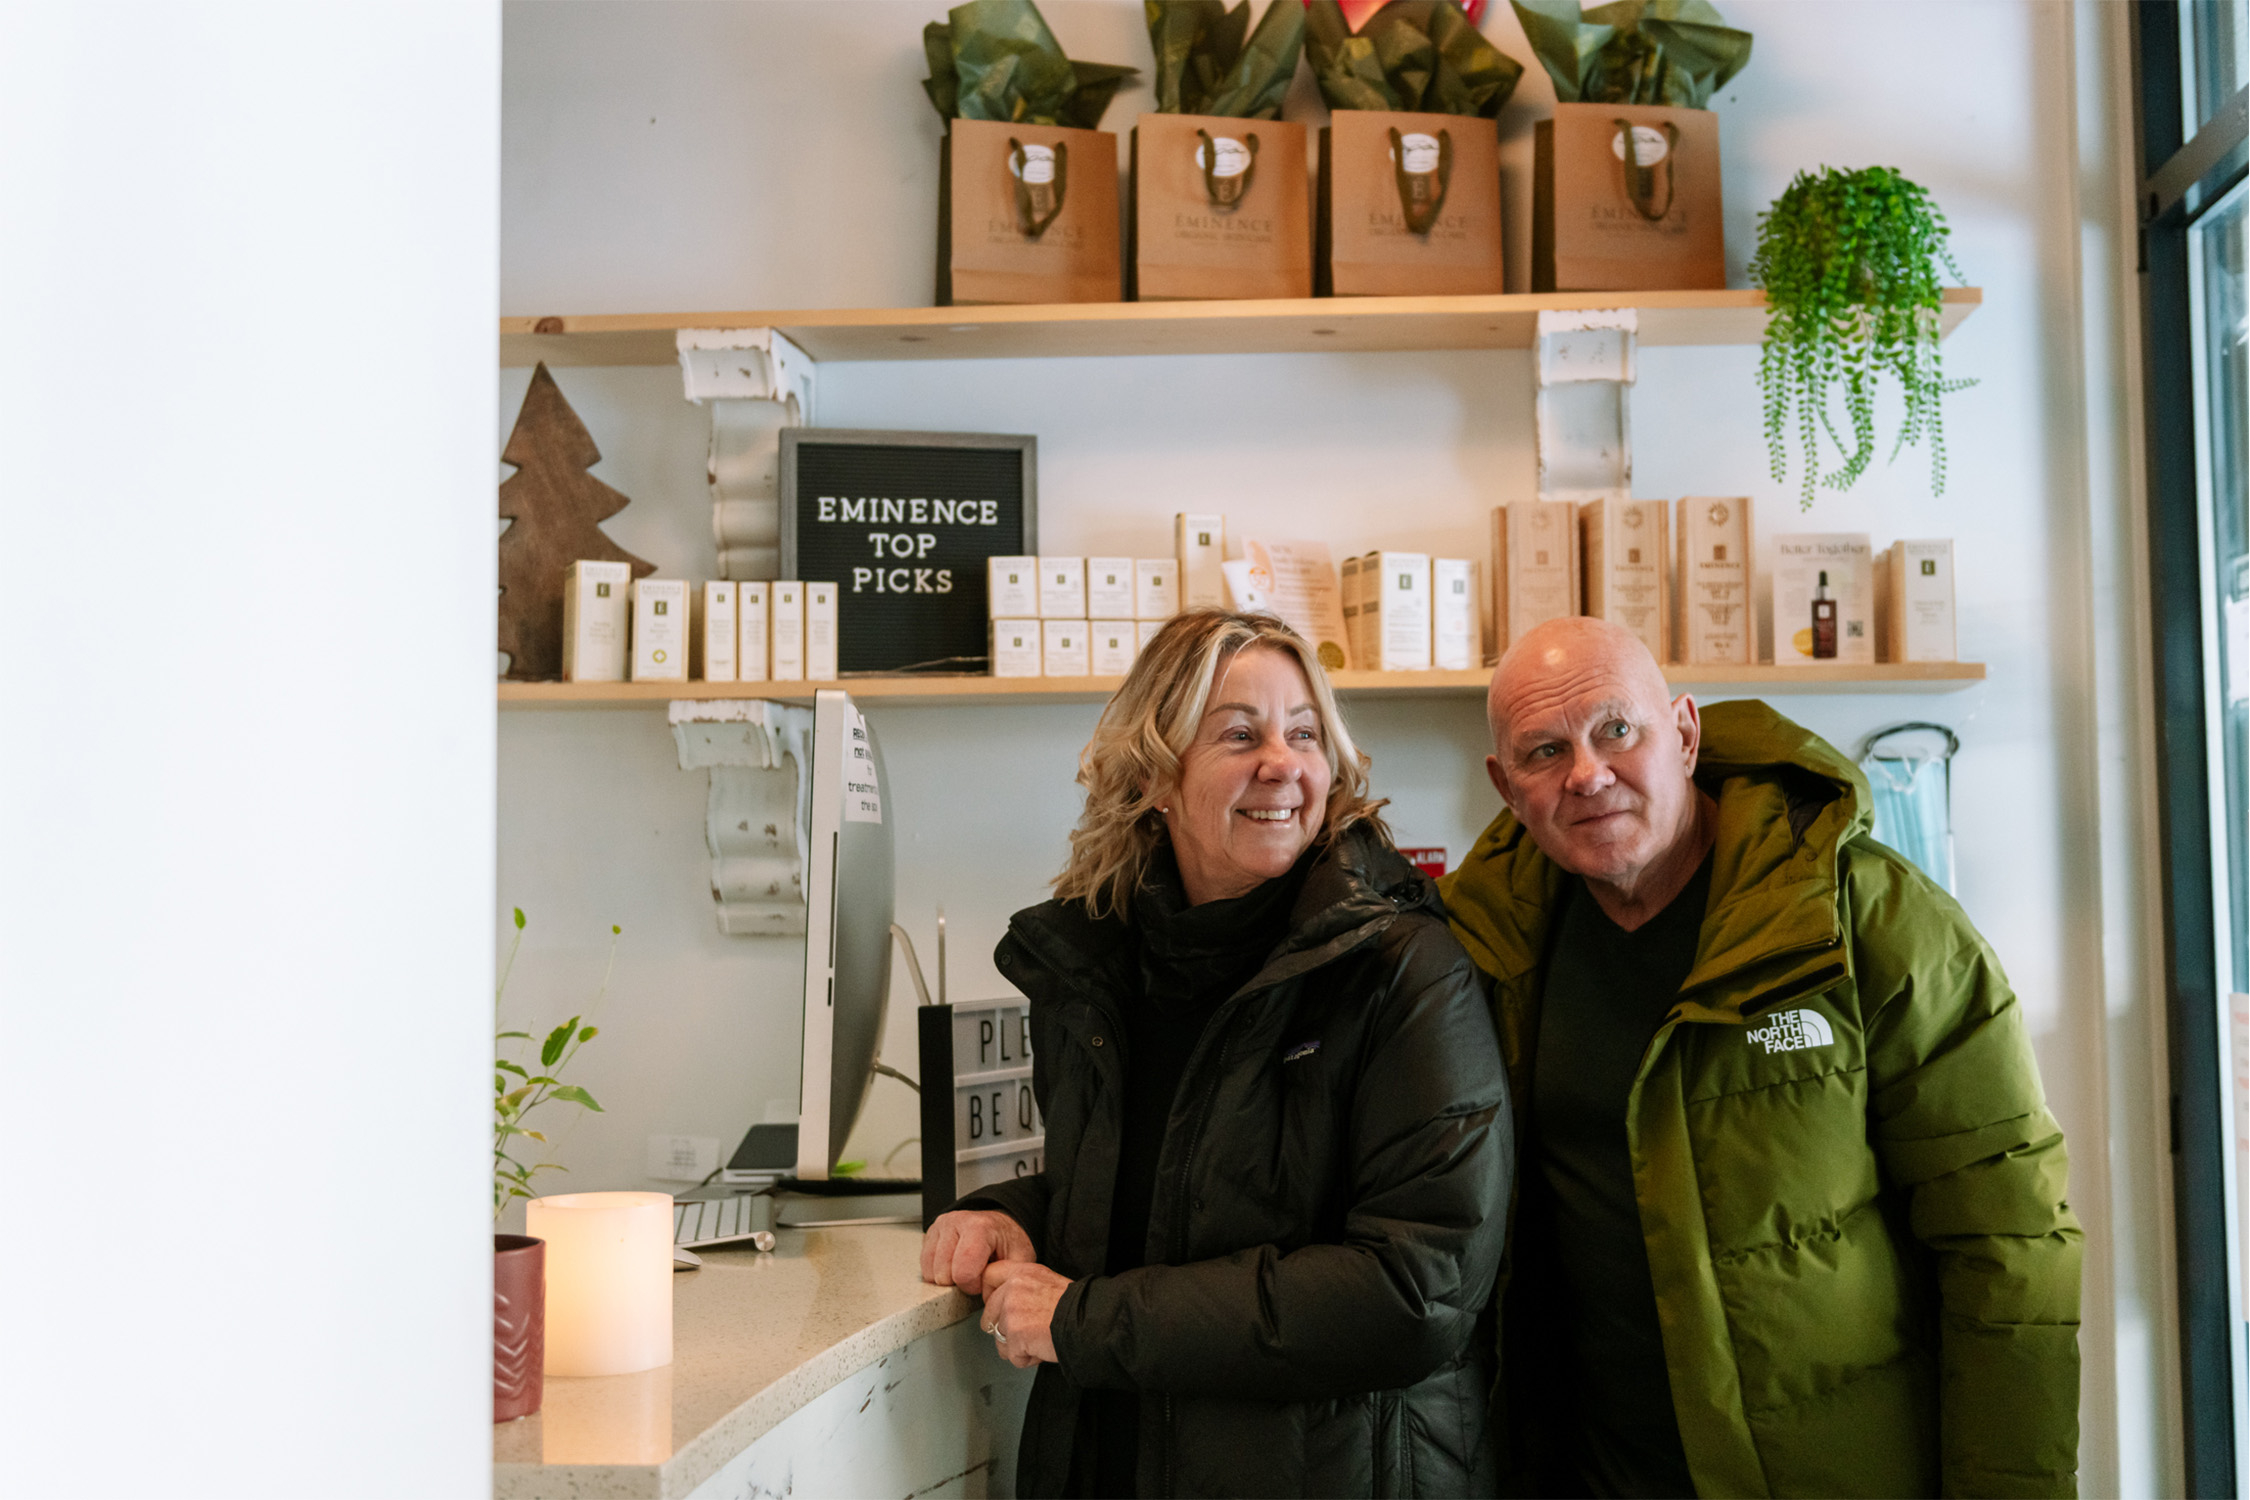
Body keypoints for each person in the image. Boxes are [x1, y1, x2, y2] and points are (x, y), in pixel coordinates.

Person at [1440, 615, 2081, 1499]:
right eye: (1545, 751)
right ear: (1506, 787)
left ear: (1686, 733)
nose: (1588, 774)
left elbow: (2008, 1242)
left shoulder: (1868, 920)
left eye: (1616, 729)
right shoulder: (1482, 951)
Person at [921, 609, 1513, 1498]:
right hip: (1115, 1461)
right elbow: (1161, 1185)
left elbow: (1414, 1290)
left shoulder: (1404, 971)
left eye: (1304, 733)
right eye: (1239, 733)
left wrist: (1088, 1321)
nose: (1283, 763)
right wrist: (1012, 1212)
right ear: (1156, 772)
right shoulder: (1095, 968)